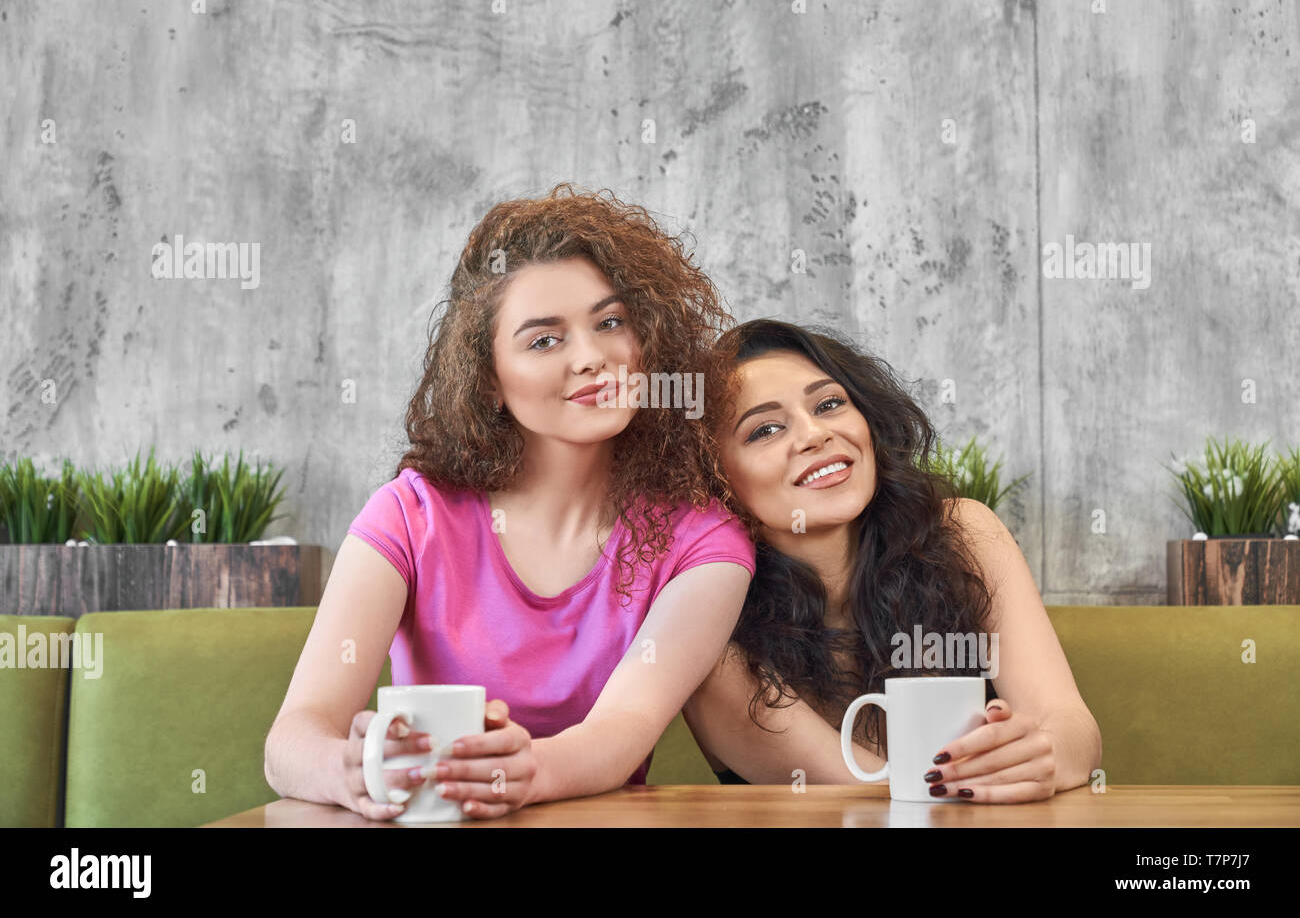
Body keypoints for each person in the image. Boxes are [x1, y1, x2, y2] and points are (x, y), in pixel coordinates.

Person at [264, 185, 756, 820]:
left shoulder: (704, 541)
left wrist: (526, 772)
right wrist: (348, 771)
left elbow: (622, 731)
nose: (592, 358)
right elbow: (291, 740)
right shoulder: (411, 516)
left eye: (610, 323)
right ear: (489, 380)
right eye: (544, 340)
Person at [683, 319, 1102, 802]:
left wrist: (1043, 755)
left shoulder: (965, 533)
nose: (816, 434)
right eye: (766, 429)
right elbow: (879, 796)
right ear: (711, 481)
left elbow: (1073, 728)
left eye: (829, 404)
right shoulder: (706, 633)